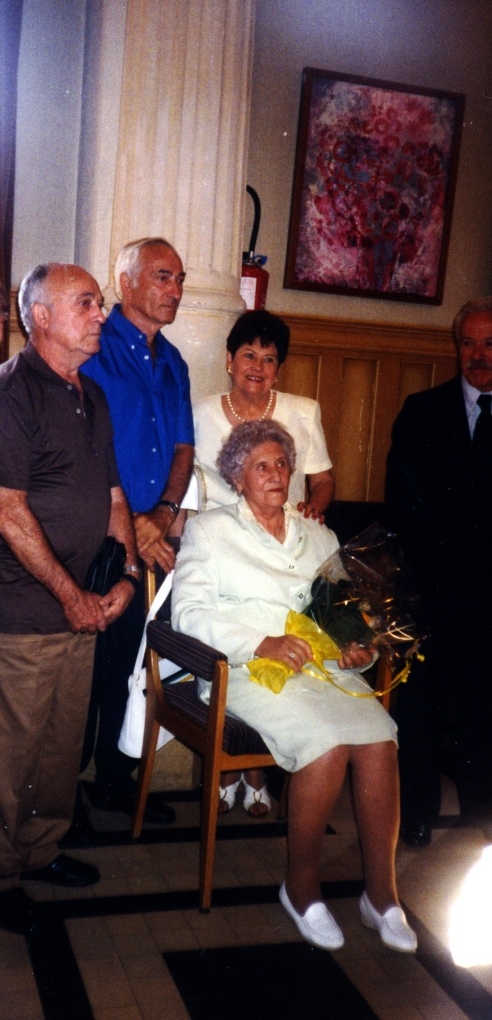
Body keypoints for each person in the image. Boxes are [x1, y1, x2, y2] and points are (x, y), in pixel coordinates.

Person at [172, 420, 416, 952]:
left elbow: (348, 615)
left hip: (321, 671)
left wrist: (361, 648)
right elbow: (187, 614)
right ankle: (301, 888)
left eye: (282, 463)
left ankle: (382, 895)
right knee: (325, 746)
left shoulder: (319, 535)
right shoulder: (210, 531)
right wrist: (261, 642)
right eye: (261, 466)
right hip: (245, 671)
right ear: (238, 478)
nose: (275, 474)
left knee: (380, 740)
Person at [0, 263, 138, 934]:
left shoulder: (94, 396)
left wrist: (127, 578)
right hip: (25, 613)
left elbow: (114, 498)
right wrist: (69, 594)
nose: (100, 315)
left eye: (100, 303)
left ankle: (41, 849)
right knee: (11, 754)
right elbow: (8, 510)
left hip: (84, 609)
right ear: (41, 317)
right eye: (86, 303)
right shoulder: (12, 392)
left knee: (59, 749)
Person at [193, 309, 335, 815]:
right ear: (229, 360)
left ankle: (253, 769)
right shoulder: (201, 412)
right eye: (248, 355)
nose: (257, 366)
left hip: (283, 546)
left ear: (279, 368)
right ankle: (238, 768)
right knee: (241, 640)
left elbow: (321, 480)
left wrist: (315, 506)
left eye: (269, 358)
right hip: (223, 548)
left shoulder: (303, 410)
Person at [80, 237, 194, 822]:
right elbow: (85, 450)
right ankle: (61, 797)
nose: (176, 290)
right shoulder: (93, 347)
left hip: (153, 535)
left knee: (131, 662)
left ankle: (114, 780)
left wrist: (165, 515)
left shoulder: (174, 361)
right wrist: (131, 525)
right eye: (162, 277)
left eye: (180, 279)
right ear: (125, 283)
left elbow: (184, 449)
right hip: (96, 533)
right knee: (85, 665)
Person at [385, 297, 492, 847]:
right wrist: (443, 576)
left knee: (484, 705)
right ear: (456, 347)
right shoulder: (422, 410)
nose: (478, 354)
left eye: (489, 343)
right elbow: (405, 502)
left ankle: (481, 811)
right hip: (433, 589)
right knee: (421, 708)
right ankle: (417, 813)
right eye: (468, 342)